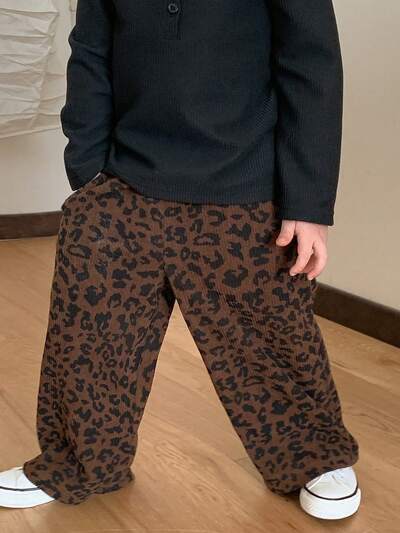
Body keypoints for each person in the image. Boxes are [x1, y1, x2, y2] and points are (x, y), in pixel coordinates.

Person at [0, 0, 360, 520]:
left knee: (271, 335)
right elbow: (91, 51)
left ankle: (313, 458)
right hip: (125, 182)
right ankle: (77, 462)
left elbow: (311, 64)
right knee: (90, 337)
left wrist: (307, 204)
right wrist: (88, 170)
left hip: (244, 187)